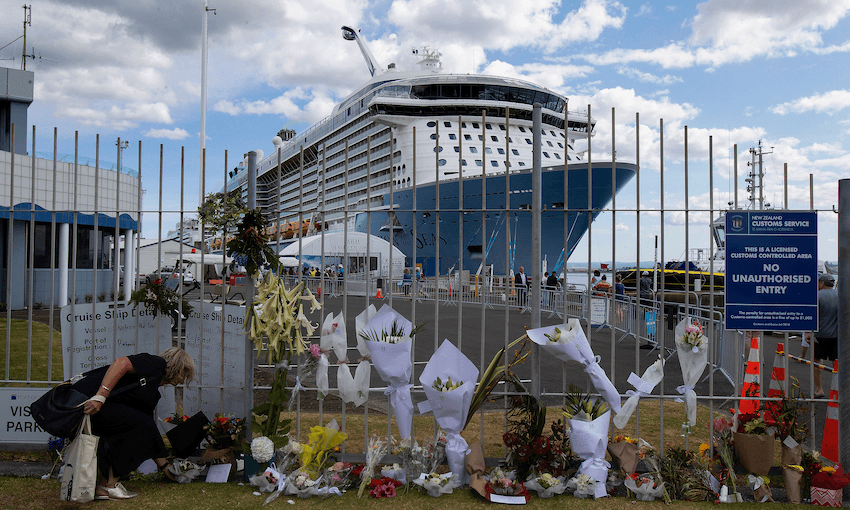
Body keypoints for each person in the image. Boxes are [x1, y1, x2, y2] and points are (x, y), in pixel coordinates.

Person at [77, 347, 196, 500]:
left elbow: (150, 429)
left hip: (103, 412)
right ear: (180, 368)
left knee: (139, 426)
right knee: (139, 425)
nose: (184, 380)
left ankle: (105, 486)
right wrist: (101, 396)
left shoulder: (152, 390)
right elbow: (121, 363)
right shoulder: (156, 363)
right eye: (186, 374)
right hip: (91, 404)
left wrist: (166, 468)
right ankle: (108, 486)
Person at [812, 273, 838, 396]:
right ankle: (838, 389)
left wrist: (808, 333)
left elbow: (813, 317)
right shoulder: (840, 295)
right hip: (837, 336)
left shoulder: (816, 296)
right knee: (837, 363)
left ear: (822, 283)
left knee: (816, 361)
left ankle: (819, 389)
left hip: (820, 335)